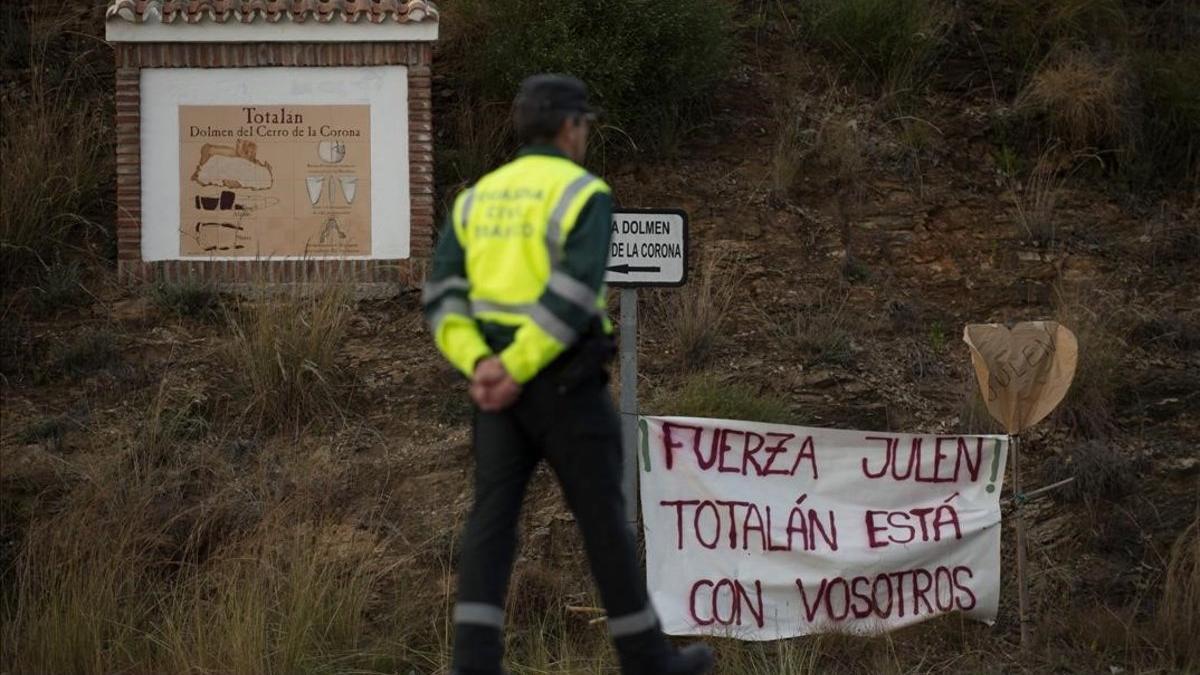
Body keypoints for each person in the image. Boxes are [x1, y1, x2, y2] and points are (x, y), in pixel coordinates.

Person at [422, 74, 714, 675]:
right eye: (585, 124)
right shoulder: (582, 193)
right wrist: (517, 366)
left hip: (493, 390)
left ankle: (472, 664)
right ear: (568, 127)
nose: (585, 134)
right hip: (564, 384)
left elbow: (442, 295)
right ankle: (646, 659)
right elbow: (573, 292)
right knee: (603, 517)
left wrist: (481, 364)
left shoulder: (476, 198)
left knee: (492, 521)